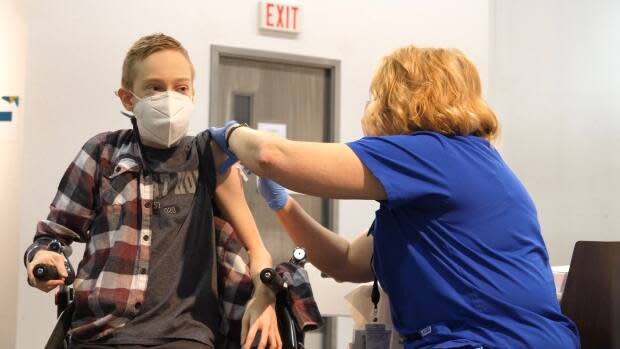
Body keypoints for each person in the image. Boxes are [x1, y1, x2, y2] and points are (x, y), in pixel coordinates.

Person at [209, 46, 580, 348]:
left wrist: (228, 133)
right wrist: (283, 205)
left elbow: (272, 157)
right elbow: (346, 261)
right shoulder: (461, 166)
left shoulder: (432, 155)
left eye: (375, 96)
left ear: (400, 100)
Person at [24, 33, 281, 349]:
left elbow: (257, 249)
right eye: (155, 88)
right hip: (102, 333)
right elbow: (52, 235)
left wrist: (265, 296)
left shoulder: (208, 158)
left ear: (193, 93)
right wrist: (44, 256)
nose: (170, 98)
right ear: (127, 98)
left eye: (181, 87)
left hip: (186, 336)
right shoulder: (102, 153)